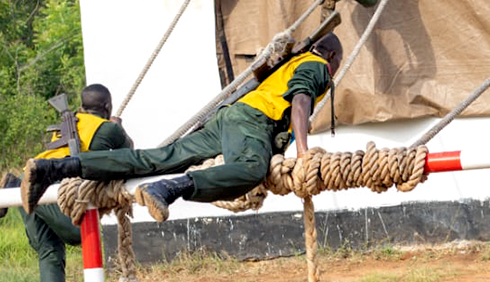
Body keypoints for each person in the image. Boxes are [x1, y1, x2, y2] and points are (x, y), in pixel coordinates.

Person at [22, 35, 343, 227]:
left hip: (228, 117)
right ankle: (169, 189)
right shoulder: (318, 66)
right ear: (331, 56)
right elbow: (301, 100)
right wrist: (303, 153)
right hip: (253, 121)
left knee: (159, 158)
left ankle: (51, 169)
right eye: (338, 63)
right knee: (250, 170)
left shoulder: (292, 61)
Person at [13, 84, 131, 282]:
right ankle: (13, 183)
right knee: (78, 233)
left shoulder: (70, 122)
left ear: (81, 106)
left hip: (34, 181)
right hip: (45, 188)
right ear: (107, 107)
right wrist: (118, 127)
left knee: (49, 251)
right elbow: (130, 154)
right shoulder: (107, 128)